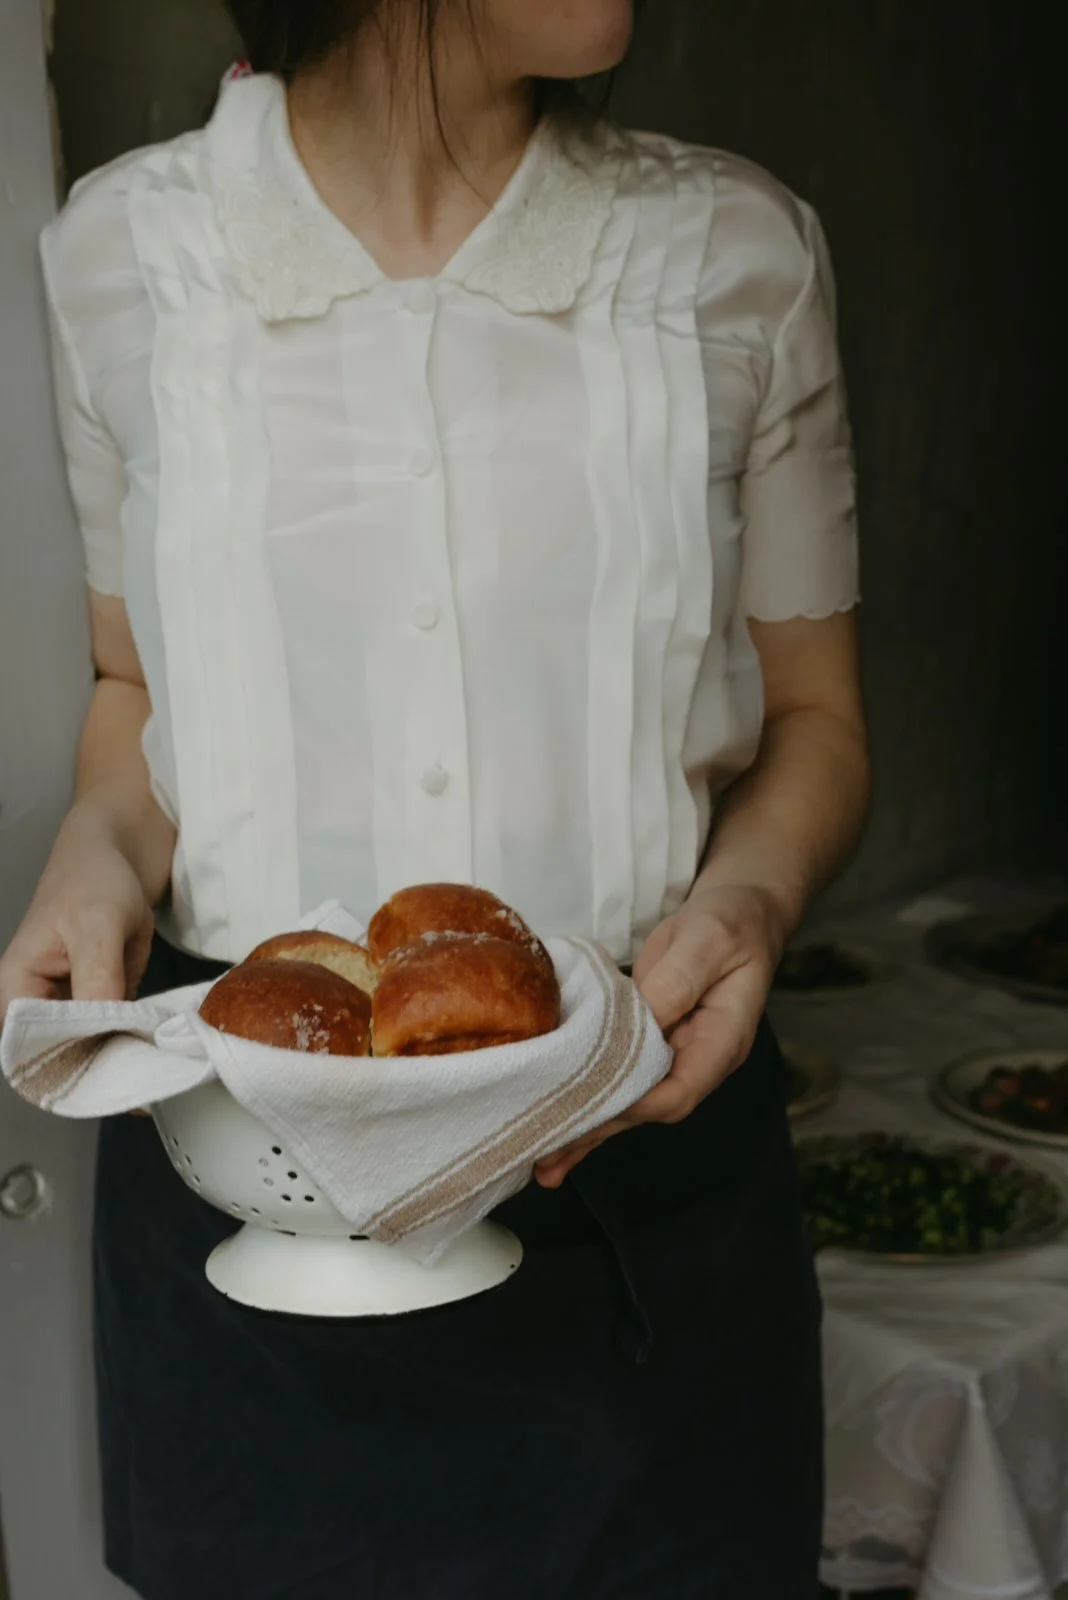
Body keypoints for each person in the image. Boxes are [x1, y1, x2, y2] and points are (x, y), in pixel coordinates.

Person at [0, 1, 869, 1594]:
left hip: (639, 1190)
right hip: (253, 1195)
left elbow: (817, 720)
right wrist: (94, 853)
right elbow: (136, 698)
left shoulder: (740, 251)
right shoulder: (121, 257)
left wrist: (749, 898)